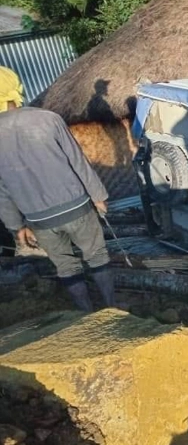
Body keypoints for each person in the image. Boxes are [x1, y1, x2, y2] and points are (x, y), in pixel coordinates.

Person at [0, 66, 116, 312]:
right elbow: (77, 161)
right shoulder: (47, 119)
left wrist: (16, 226)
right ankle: (111, 308)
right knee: (97, 256)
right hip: (75, 206)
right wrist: (98, 196)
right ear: (16, 89)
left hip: (38, 218)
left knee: (65, 267)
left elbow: (1, 190)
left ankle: (86, 313)